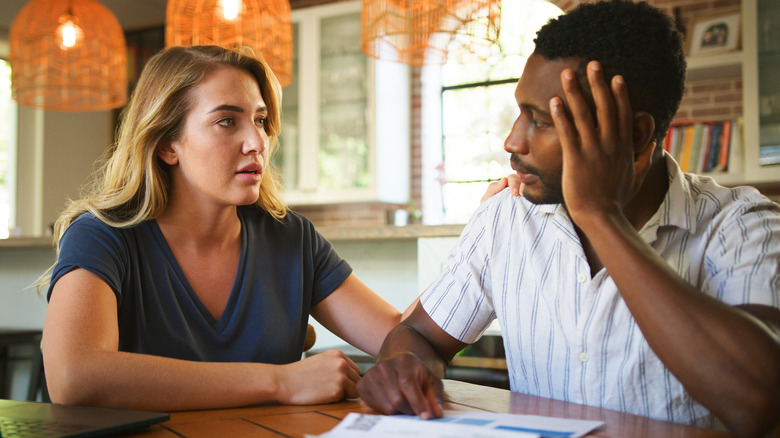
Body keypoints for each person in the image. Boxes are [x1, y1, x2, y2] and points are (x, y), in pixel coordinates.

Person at [355, 2, 780, 437]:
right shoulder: (506, 218)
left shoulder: (743, 224)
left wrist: (600, 215)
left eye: (541, 121)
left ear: (634, 135)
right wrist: (402, 367)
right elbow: (419, 335)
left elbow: (759, 403)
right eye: (521, 112)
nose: (512, 139)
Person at [37, 44, 410, 412]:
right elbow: (73, 376)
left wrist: (469, 258)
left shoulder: (291, 238)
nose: (257, 142)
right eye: (227, 121)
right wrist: (281, 381)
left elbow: (400, 336)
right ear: (169, 144)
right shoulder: (103, 236)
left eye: (260, 121)